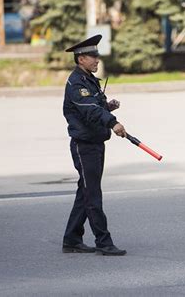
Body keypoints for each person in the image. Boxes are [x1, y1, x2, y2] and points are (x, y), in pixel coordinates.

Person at [62, 34, 127, 256]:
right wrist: (113, 122)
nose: (97, 60)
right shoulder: (76, 82)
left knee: (85, 193)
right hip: (84, 145)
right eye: (93, 56)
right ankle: (104, 242)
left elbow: (93, 108)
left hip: (96, 142)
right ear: (81, 59)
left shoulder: (88, 79)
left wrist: (107, 107)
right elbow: (88, 109)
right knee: (93, 195)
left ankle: (71, 239)